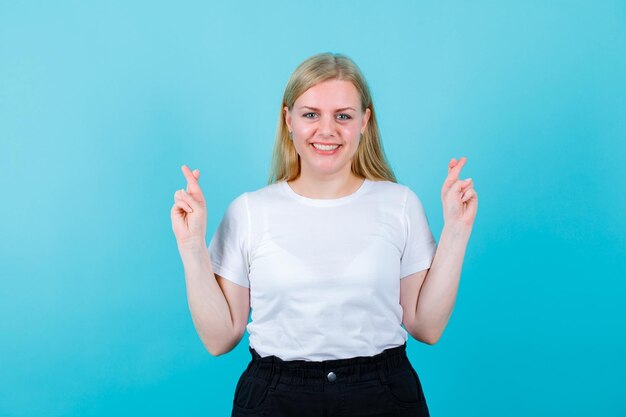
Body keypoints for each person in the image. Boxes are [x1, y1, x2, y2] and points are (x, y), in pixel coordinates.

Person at [170, 52, 478, 417]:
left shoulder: (400, 204)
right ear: (288, 120)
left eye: (343, 116)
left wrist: (456, 232)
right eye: (311, 114)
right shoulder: (249, 211)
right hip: (276, 398)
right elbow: (220, 338)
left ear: (365, 121)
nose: (327, 130)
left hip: (382, 395)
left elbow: (426, 327)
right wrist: (192, 247)